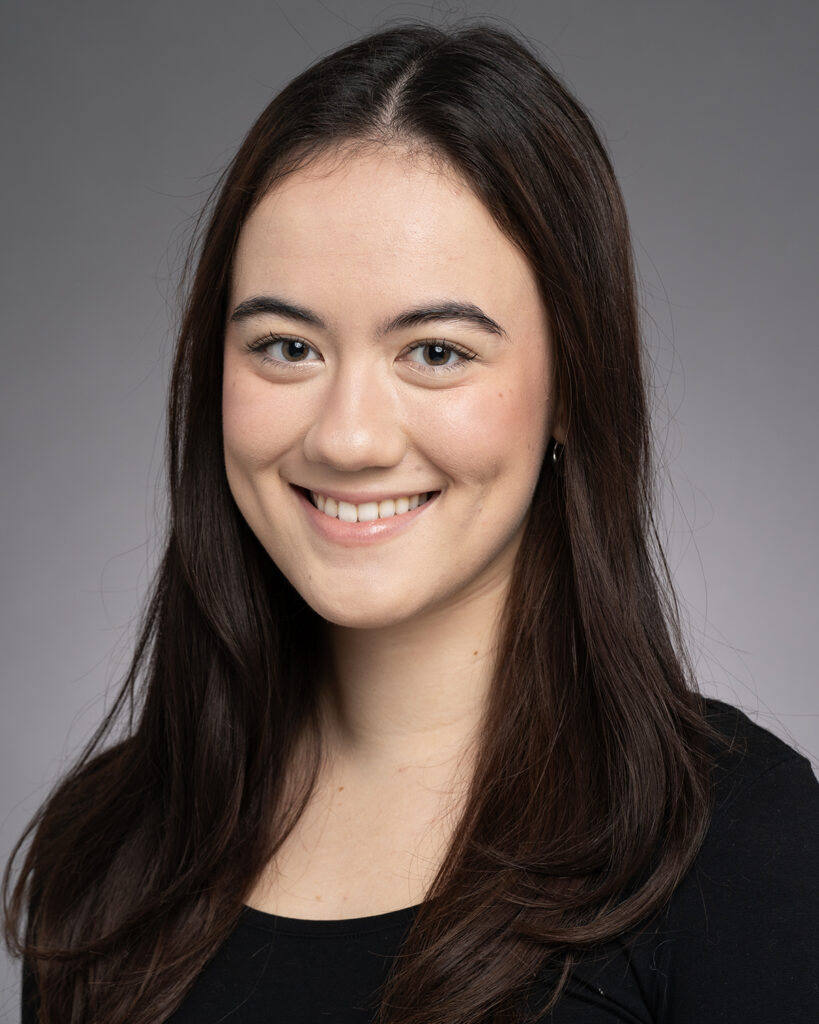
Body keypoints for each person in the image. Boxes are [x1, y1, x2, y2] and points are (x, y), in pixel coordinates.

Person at [4, 20, 818, 1024]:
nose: (347, 438)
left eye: (435, 352)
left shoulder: (738, 843)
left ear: (572, 388)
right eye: (287, 346)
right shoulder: (108, 848)